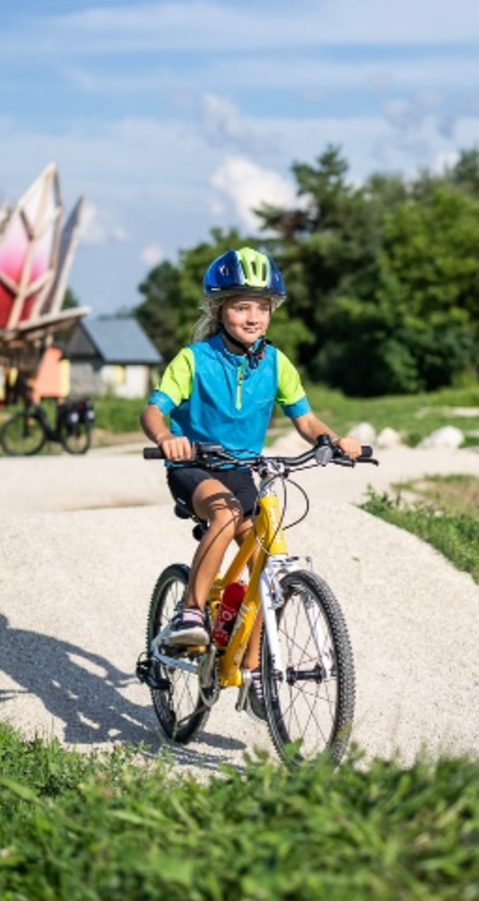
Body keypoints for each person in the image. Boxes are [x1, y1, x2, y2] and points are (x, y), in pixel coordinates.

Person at [139, 247, 361, 717]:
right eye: (242, 306)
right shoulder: (194, 359)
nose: (253, 316)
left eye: (262, 307)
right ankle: (192, 615)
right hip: (194, 467)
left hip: (243, 472)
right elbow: (154, 409)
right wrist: (165, 437)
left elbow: (305, 418)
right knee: (223, 512)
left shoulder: (277, 364)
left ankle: (257, 669)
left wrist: (333, 440)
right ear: (219, 311)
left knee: (267, 562)